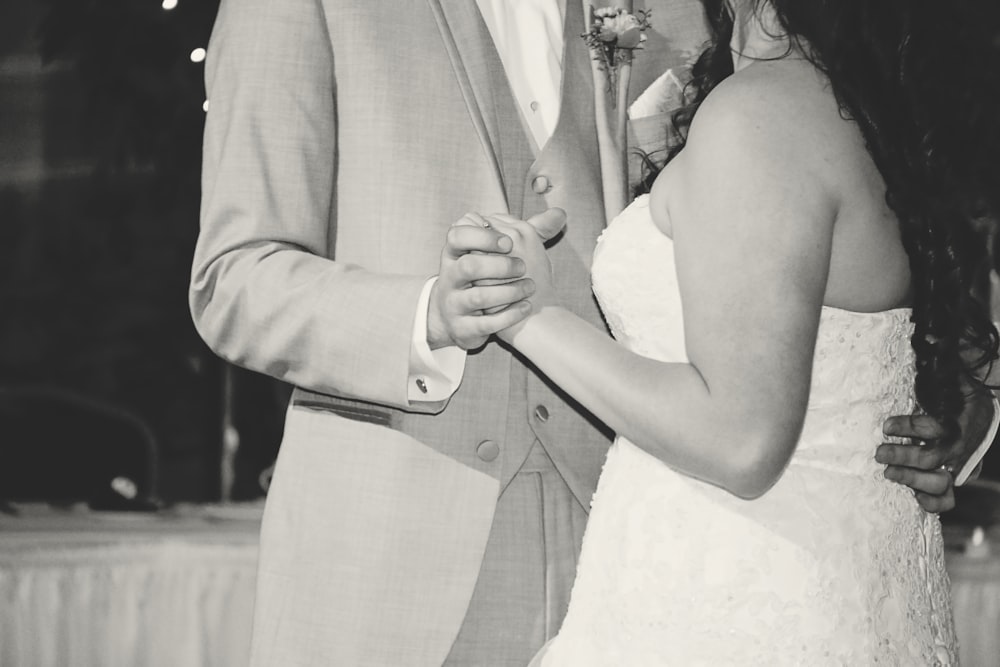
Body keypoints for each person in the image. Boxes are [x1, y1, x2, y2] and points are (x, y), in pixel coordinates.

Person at [188, 0, 995, 664]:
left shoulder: (703, 18)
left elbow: (875, 226)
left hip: (656, 559)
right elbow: (233, 277)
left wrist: (949, 416)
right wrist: (428, 314)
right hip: (392, 555)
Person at [465, 0, 1000, 664]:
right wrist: (969, 403)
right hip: (844, 603)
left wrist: (524, 311)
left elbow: (742, 439)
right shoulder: (865, 106)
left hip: (731, 600)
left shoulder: (760, 115)